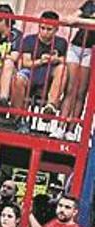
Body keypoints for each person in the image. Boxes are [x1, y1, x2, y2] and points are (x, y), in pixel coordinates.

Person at [14, 11, 68, 124]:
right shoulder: (29, 39)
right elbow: (26, 62)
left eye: (49, 29)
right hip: (31, 71)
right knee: (19, 78)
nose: (44, 32)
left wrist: (55, 59)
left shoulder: (61, 42)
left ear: (56, 29)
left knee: (62, 69)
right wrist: (41, 61)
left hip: (49, 75)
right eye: (42, 28)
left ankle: (51, 106)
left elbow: (64, 60)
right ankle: (17, 116)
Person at [55, 1, 95, 140]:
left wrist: (79, 20)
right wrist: (81, 20)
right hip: (76, 46)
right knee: (70, 89)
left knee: (81, 91)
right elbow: (68, 19)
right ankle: (60, 127)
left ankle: (71, 129)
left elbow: (77, 20)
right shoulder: (89, 4)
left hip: (90, 50)